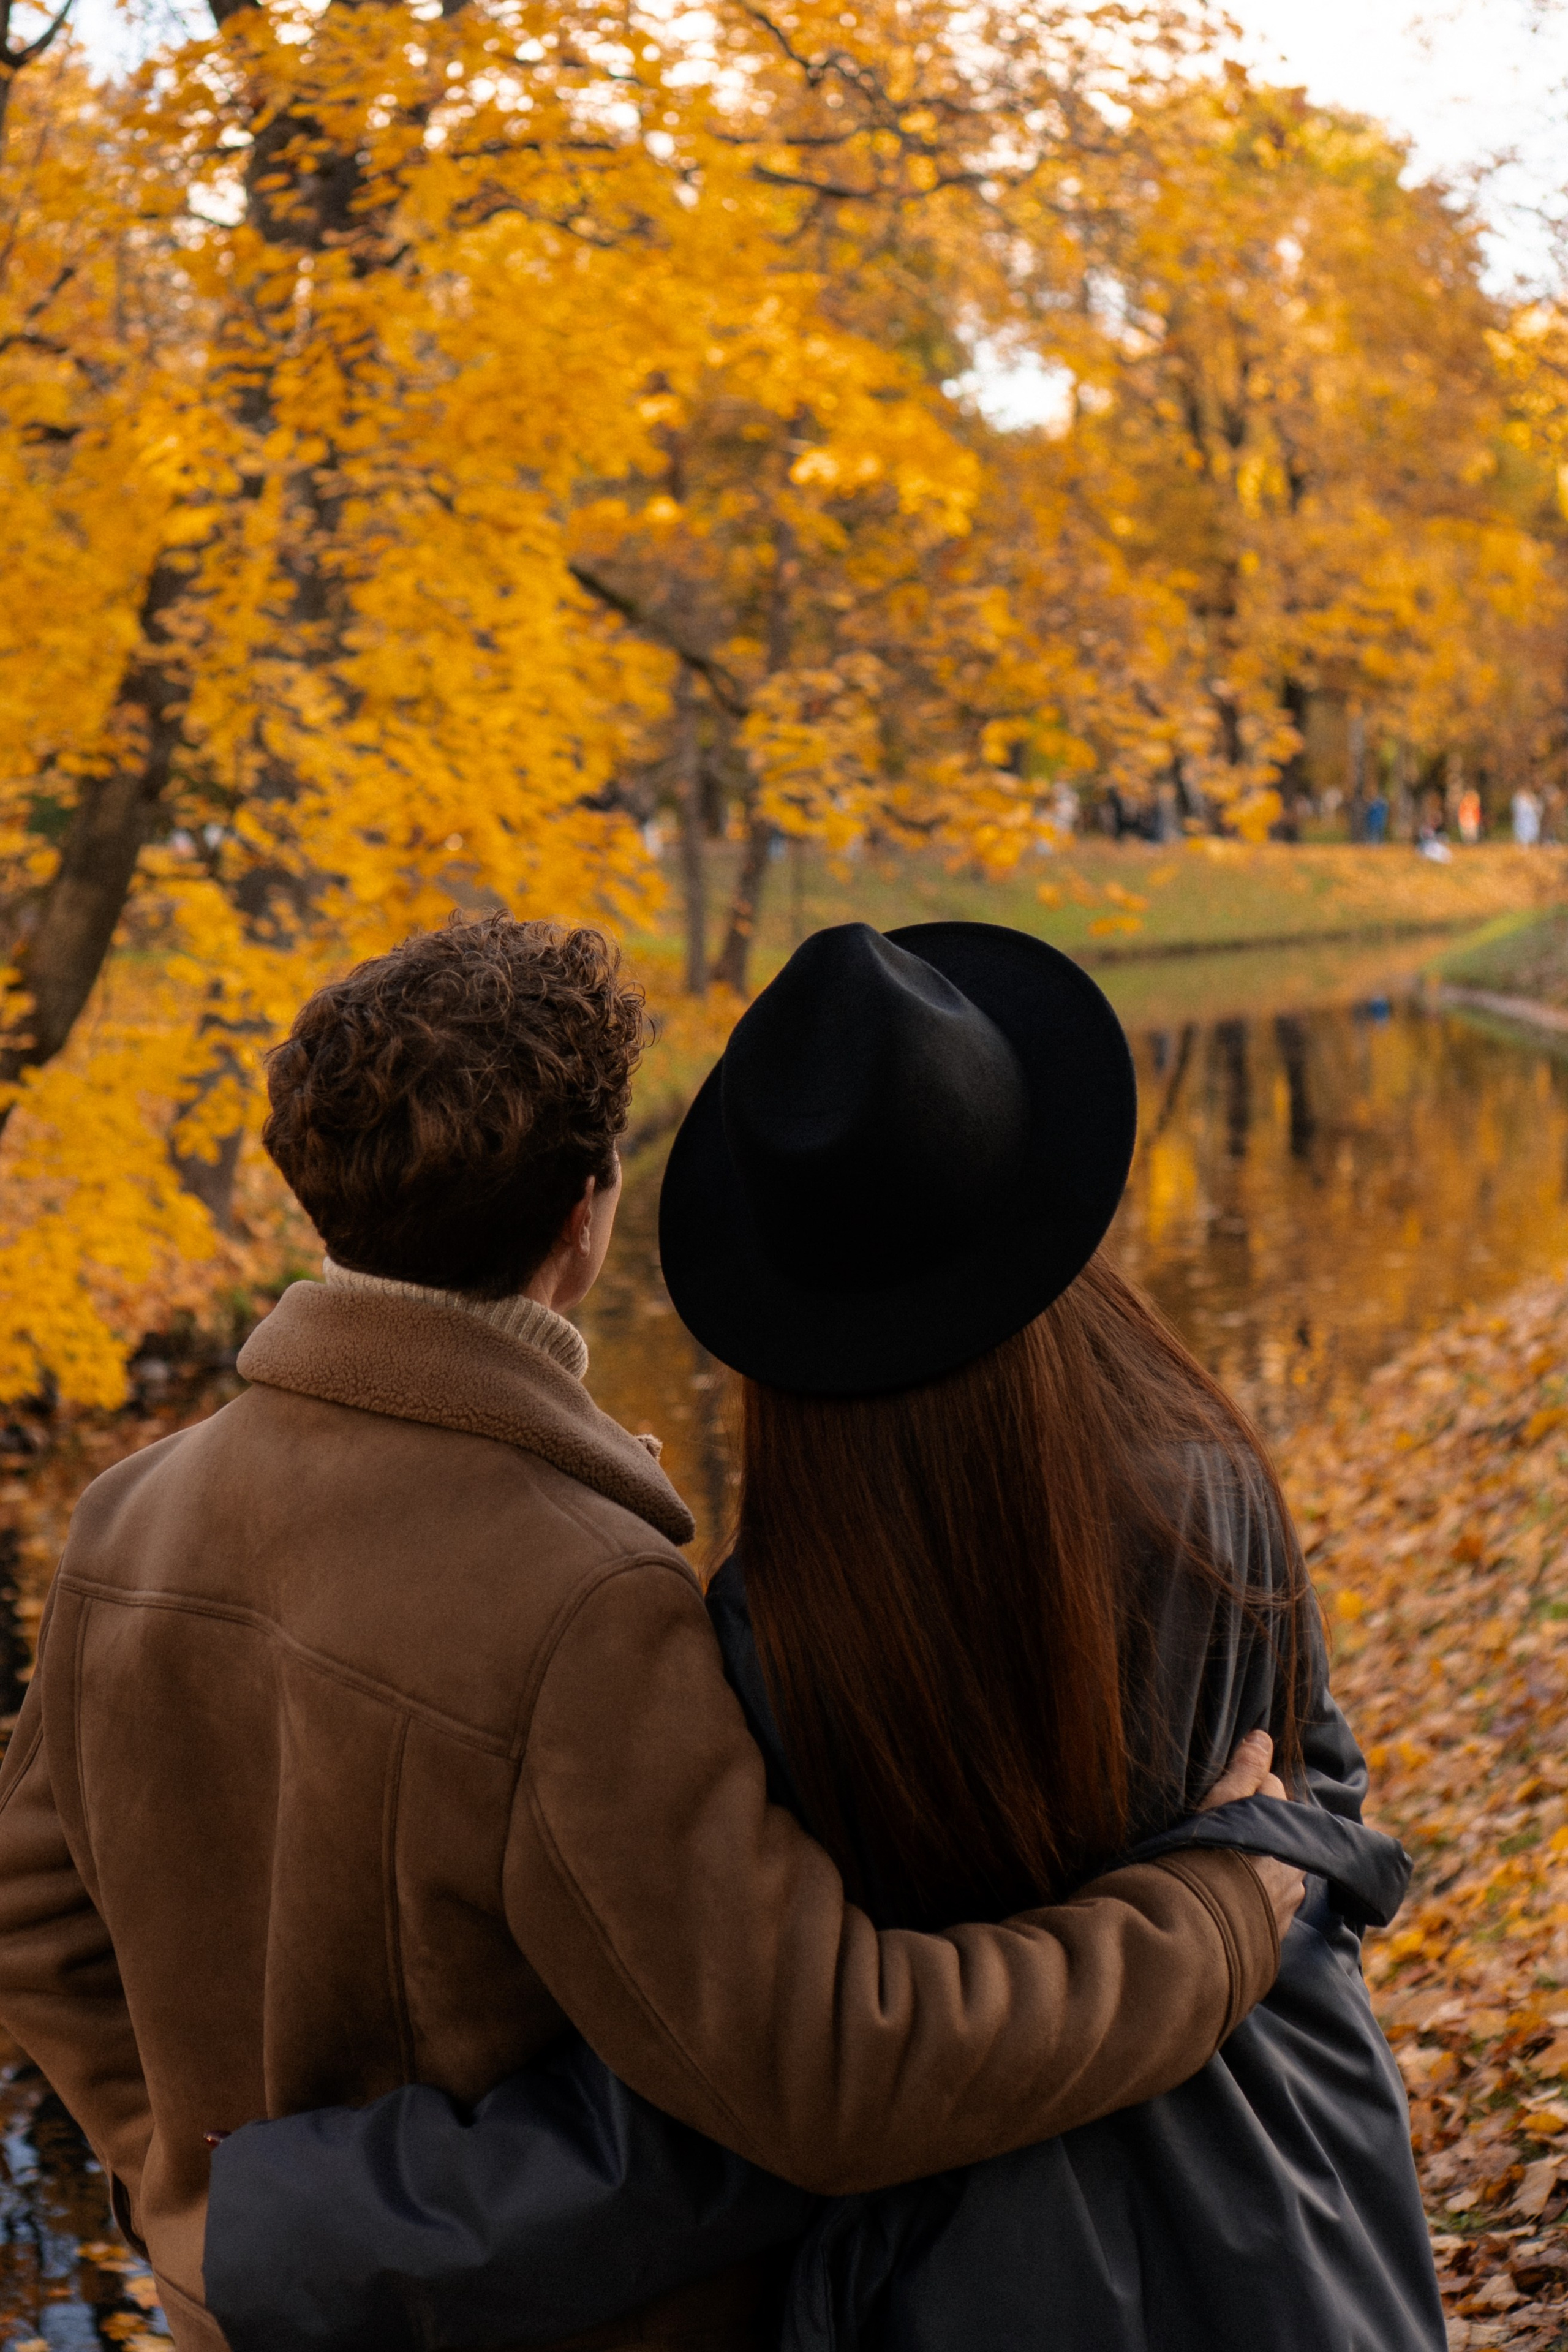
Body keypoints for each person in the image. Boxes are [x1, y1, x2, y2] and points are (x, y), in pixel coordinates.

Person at [0, 916, 1297, 2352]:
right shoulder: (584, 1605)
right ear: (590, 1210)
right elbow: (826, 2069)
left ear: (323, 1199)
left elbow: (28, 1914)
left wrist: (199, 2188)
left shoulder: (126, 1519)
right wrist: (1217, 1917)